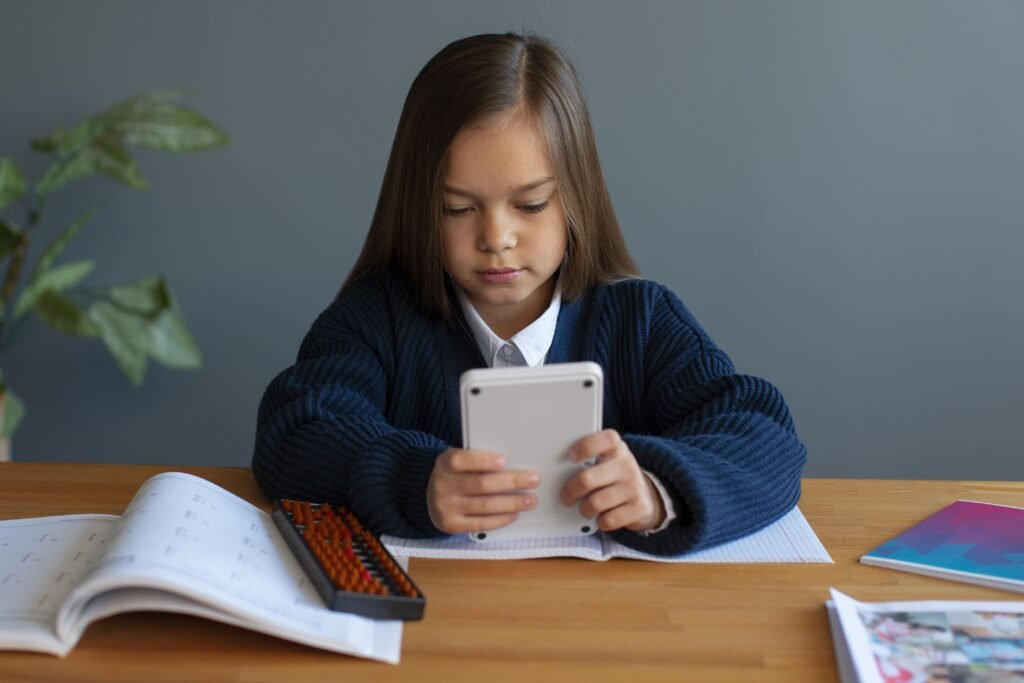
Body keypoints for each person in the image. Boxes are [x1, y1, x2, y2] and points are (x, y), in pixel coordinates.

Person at [252, 32, 807, 556]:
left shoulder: (642, 319)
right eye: (458, 208)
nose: (496, 238)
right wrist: (415, 481)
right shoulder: (373, 320)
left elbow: (764, 435)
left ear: (576, 198)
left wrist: (657, 489)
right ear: (419, 207)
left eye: (531, 204)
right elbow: (297, 431)